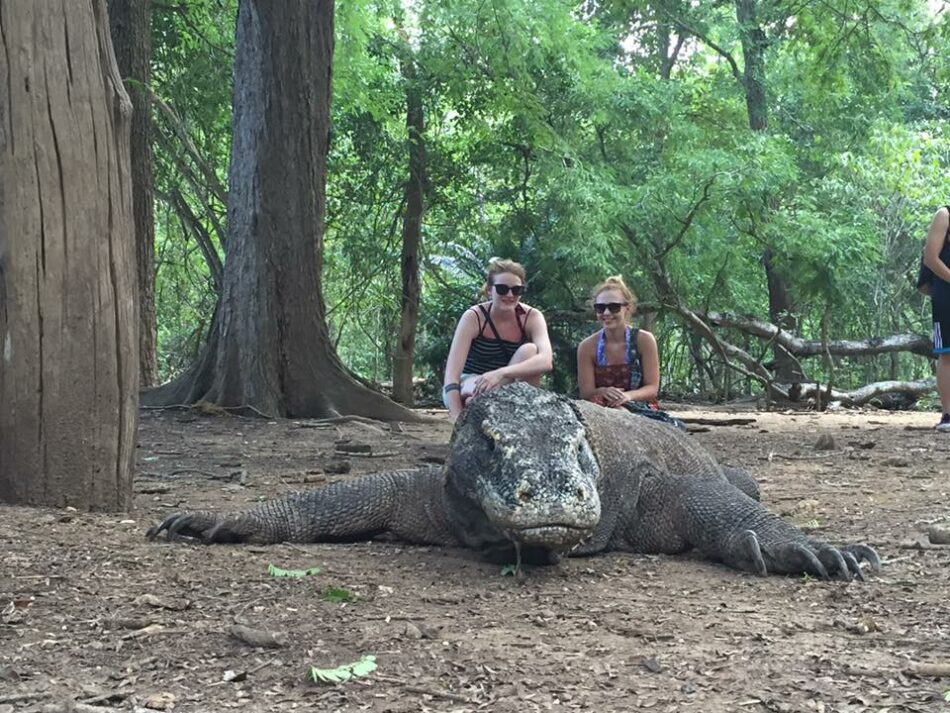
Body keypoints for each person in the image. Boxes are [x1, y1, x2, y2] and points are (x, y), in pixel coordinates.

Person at [442, 259, 553, 421]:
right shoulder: (474, 317)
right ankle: (480, 405)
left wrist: (499, 373)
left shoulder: (532, 317)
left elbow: (546, 361)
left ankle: (505, 409)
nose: (509, 295)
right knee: (472, 394)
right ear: (489, 291)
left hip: (507, 383)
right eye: (502, 289)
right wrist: (456, 418)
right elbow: (451, 376)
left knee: (530, 350)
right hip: (470, 382)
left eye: (516, 290)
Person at [577, 276, 683, 429]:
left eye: (613, 307)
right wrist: (604, 391)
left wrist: (627, 396)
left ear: (628, 308)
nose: (606, 313)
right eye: (600, 308)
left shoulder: (644, 340)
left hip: (639, 405)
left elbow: (652, 388)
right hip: (600, 406)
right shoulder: (587, 347)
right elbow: (586, 392)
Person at [922, 206, 950, 432]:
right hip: (947, 296)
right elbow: (930, 257)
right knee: (948, 354)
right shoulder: (945, 215)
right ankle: (948, 415)